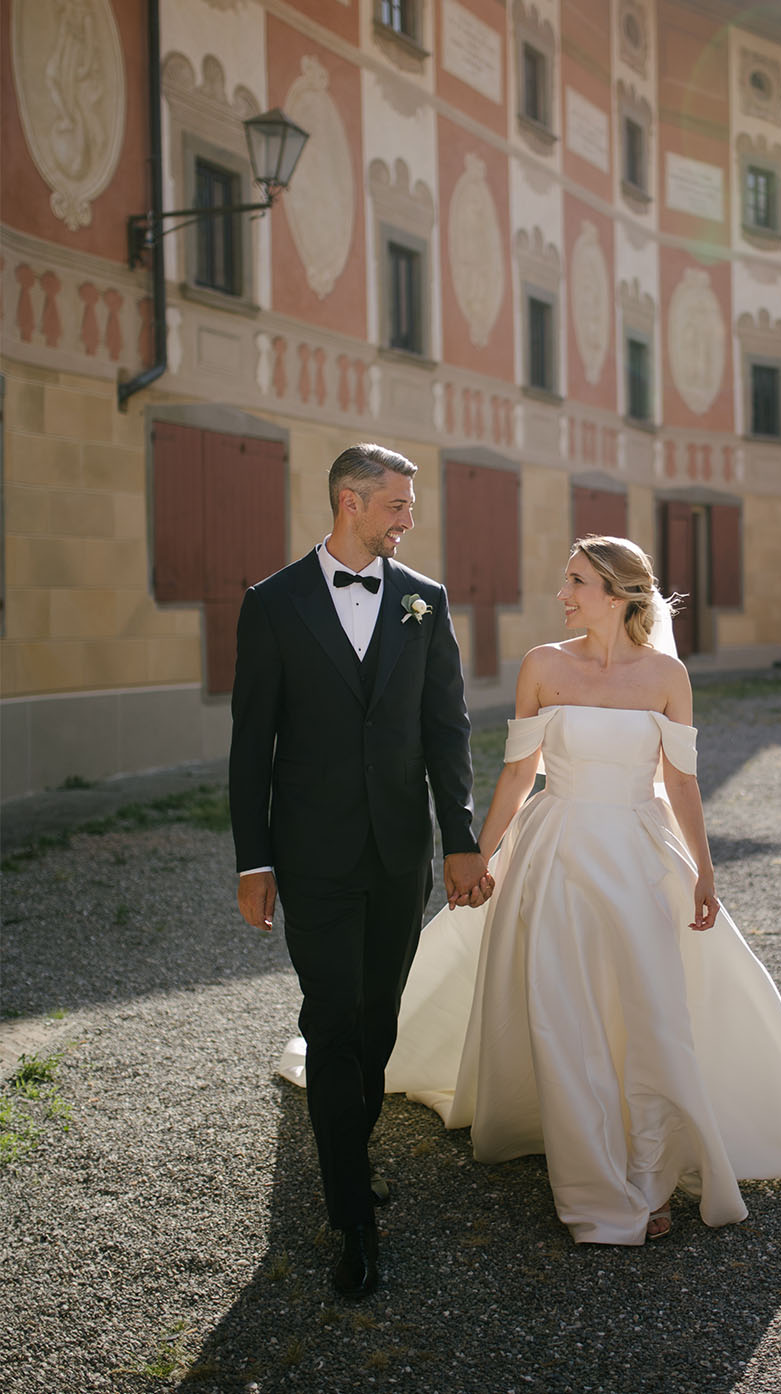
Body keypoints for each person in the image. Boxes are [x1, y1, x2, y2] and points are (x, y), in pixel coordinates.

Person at [281, 535, 781, 1245]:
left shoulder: (667, 676)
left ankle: (649, 1174)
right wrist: (477, 856)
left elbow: (681, 782)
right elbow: (519, 773)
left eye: (576, 581)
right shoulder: (543, 664)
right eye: (565, 581)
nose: (562, 594)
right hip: (556, 857)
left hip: (638, 860)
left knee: (649, 1016)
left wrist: (704, 870)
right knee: (564, 1021)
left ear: (618, 593)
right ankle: (592, 1189)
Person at [231, 443, 489, 1298]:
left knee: (377, 1019)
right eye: (397, 505)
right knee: (332, 1016)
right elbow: (251, 745)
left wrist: (459, 839)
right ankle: (352, 1213)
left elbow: (447, 729)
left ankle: (348, 1149)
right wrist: (254, 860)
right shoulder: (273, 604)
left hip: (398, 853)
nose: (410, 519)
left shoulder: (424, 600)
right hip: (311, 854)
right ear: (350, 501)